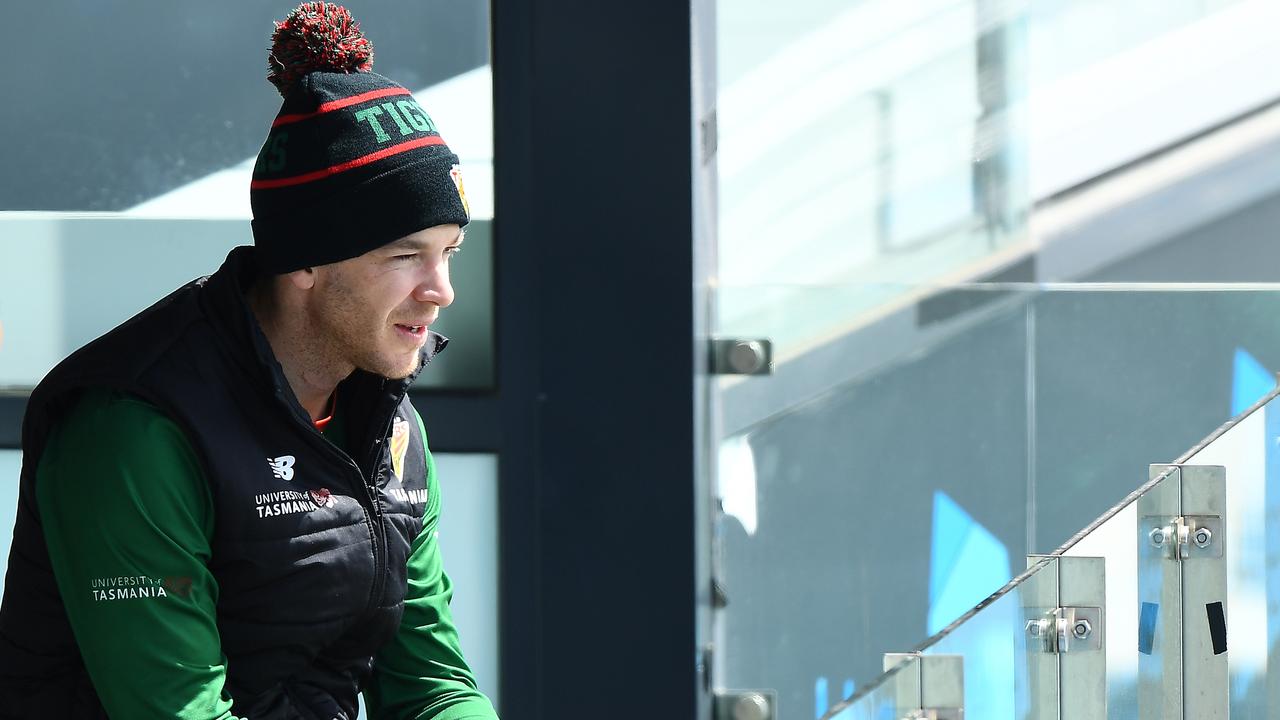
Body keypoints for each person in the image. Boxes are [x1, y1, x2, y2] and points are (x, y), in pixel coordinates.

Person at [0, 4, 498, 718]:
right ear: (305, 261)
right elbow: (176, 711)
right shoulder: (135, 427)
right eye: (405, 256)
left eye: (448, 251)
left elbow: (431, 685)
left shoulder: (388, 424)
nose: (442, 290)